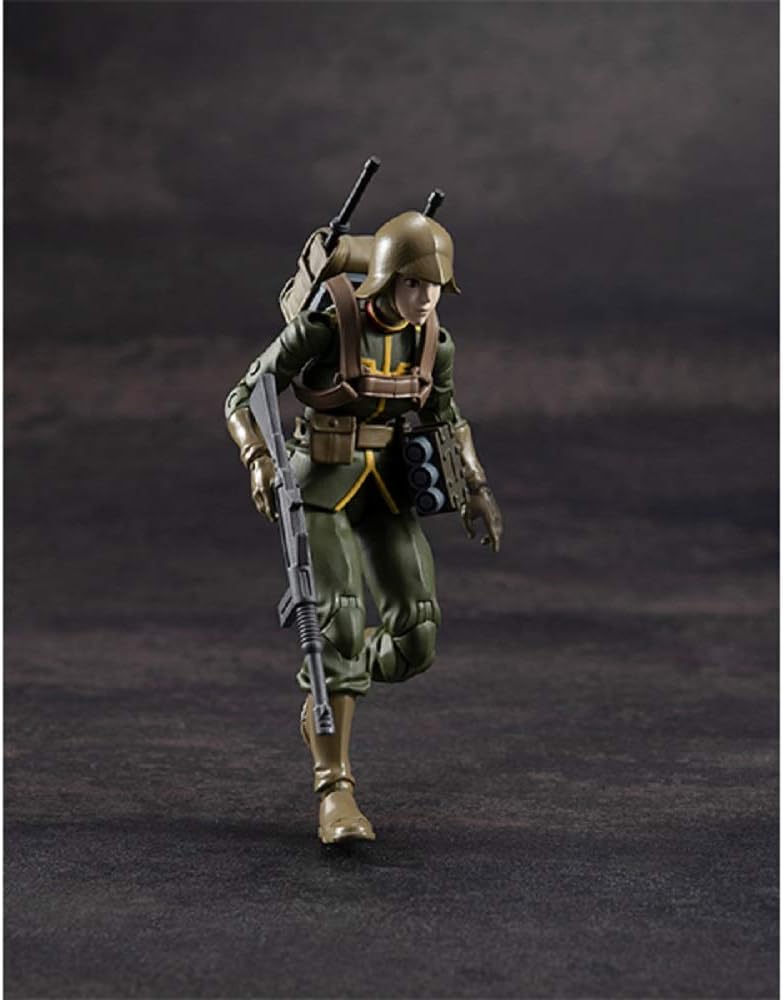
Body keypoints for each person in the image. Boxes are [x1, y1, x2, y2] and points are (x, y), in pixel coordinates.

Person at [225, 210, 502, 844]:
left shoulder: (434, 341)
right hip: (321, 484)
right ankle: (335, 789)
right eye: (414, 284)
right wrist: (258, 458)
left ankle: (336, 674)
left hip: (389, 487)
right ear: (385, 278)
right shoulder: (327, 328)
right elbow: (243, 396)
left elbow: (447, 417)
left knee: (417, 637)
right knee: (340, 622)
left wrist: (477, 489)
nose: (425, 299)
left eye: (436, 288)